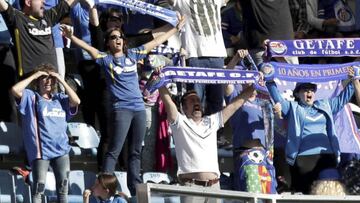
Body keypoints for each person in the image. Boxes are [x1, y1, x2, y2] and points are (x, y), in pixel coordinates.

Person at [61, 15, 186, 196]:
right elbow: (87, 47)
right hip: (121, 109)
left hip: (139, 109)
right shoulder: (105, 59)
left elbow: (157, 40)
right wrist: (70, 37)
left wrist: (176, 28)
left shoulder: (134, 55)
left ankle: (135, 191)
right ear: (108, 43)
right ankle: (105, 187)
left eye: (120, 37)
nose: (117, 40)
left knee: (135, 151)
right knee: (114, 149)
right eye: (113, 37)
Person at [262, 66, 360, 194]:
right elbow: (277, 97)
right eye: (305, 89)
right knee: (303, 194)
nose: (309, 92)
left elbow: (344, 97)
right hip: (302, 160)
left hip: (326, 157)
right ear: (297, 93)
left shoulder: (326, 105)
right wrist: (269, 80)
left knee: (329, 193)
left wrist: (354, 80)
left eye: (312, 89)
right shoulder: (292, 107)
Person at [158, 78, 256, 202]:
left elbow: (235, 105)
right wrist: (160, 81)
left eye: (198, 100)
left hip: (214, 188)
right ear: (184, 108)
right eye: (192, 101)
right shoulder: (180, 123)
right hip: (191, 187)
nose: (197, 102)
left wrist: (254, 86)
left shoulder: (211, 121)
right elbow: (168, 102)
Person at [11, 63, 81, 202]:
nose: (48, 80)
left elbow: (76, 100)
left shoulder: (60, 99)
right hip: (41, 152)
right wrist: (35, 75)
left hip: (61, 150)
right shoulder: (31, 97)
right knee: (38, 190)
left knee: (63, 189)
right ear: (38, 81)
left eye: (50, 78)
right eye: (44, 77)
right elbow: (15, 90)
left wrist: (61, 79)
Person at [225, 50, 279, 194]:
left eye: (253, 76)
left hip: (266, 155)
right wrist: (236, 59)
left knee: (269, 193)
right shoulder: (236, 98)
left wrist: (278, 107)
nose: (250, 79)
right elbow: (226, 77)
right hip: (245, 154)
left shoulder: (266, 101)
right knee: (251, 193)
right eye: (247, 76)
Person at [167, 0, 228, 115]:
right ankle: (193, 132)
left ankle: (215, 133)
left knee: (216, 104)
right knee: (194, 103)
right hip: (194, 56)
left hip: (217, 56)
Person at [0, 0, 76, 78]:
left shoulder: (48, 17)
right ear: (28, 2)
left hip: (51, 83)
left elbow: (67, 3)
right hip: (29, 84)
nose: (44, 2)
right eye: (40, 0)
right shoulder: (17, 18)